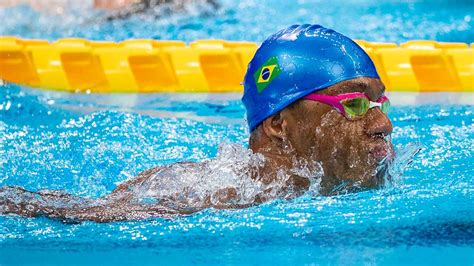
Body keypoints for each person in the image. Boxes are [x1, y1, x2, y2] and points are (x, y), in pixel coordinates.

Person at [0, 24, 393, 223]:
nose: (383, 123)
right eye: (354, 104)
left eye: (378, 101)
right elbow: (86, 214)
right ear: (278, 124)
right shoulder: (222, 192)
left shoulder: (335, 190)